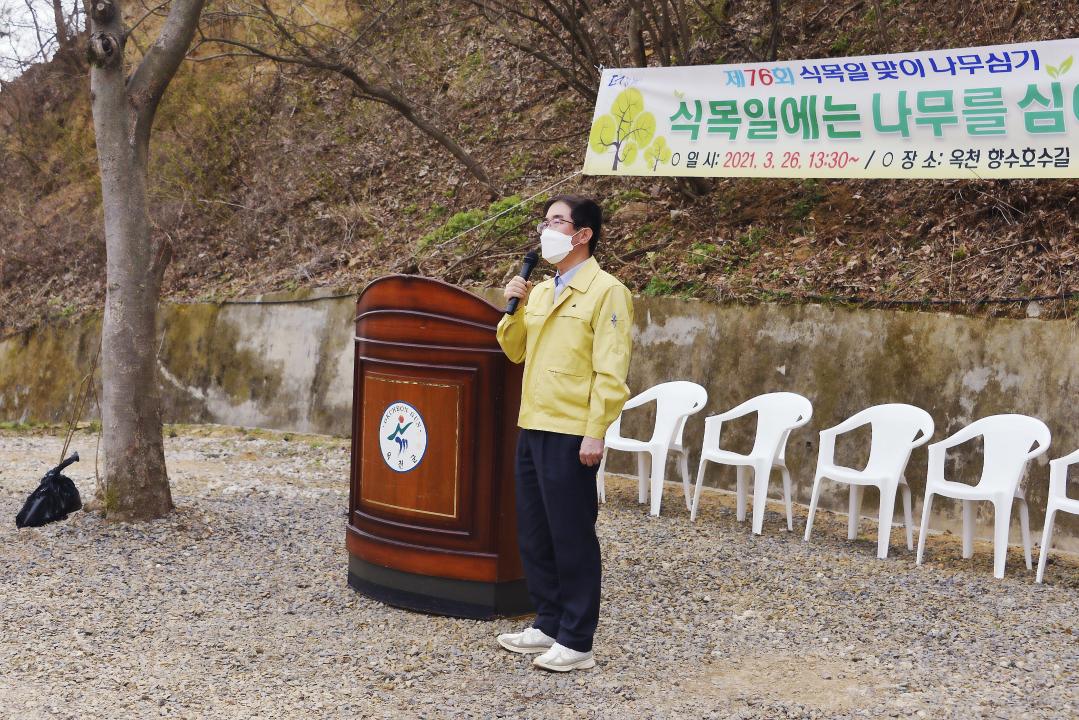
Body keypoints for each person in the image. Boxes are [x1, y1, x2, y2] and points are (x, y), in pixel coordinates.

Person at [494, 194, 634, 672]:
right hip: (534, 421)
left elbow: (611, 371)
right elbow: (514, 352)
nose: (546, 230)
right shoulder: (543, 290)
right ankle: (548, 621)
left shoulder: (607, 291)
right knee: (534, 531)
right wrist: (513, 304)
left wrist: (596, 432)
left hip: (573, 428)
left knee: (572, 533)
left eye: (557, 221)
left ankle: (577, 639)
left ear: (583, 234)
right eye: (545, 220)